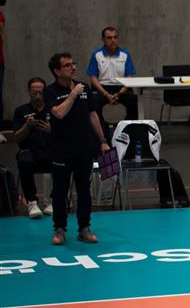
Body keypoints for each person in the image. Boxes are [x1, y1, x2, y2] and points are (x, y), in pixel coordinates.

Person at [45, 53, 111, 245]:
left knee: (84, 190)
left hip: (84, 149)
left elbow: (93, 115)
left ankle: (84, 228)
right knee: (60, 191)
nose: (73, 67)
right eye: (67, 65)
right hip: (61, 150)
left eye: (73, 64)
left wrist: (102, 140)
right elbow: (59, 113)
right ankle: (59, 229)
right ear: (57, 71)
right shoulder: (50, 92)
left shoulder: (84, 88)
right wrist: (73, 94)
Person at [13, 77, 54, 218]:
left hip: (50, 150)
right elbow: (17, 138)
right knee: (25, 161)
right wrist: (26, 126)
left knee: (62, 160)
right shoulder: (21, 111)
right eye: (34, 93)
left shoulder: (53, 109)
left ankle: (54, 200)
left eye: (40, 92)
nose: (37, 96)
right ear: (29, 92)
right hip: (29, 151)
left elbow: (65, 135)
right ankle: (32, 202)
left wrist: (51, 130)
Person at [86, 26, 139, 127]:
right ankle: (102, 129)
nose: (113, 40)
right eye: (109, 38)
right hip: (101, 88)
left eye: (115, 37)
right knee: (92, 102)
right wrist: (106, 94)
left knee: (135, 101)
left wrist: (121, 91)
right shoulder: (96, 55)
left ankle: (126, 128)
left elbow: (130, 76)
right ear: (103, 39)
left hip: (121, 88)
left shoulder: (125, 54)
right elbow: (93, 78)